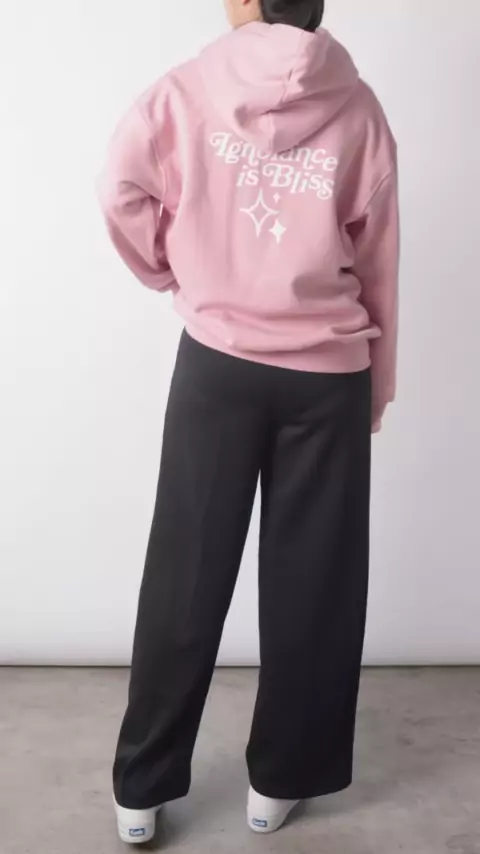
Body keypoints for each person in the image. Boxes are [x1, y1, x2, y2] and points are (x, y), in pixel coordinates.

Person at [98, 0, 399, 844]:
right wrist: (376, 389)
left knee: (184, 573)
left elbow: (120, 186)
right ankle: (280, 784)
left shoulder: (185, 90)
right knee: (315, 584)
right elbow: (378, 259)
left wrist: (175, 270)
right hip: (327, 375)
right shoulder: (359, 107)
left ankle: (140, 790)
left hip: (217, 364)